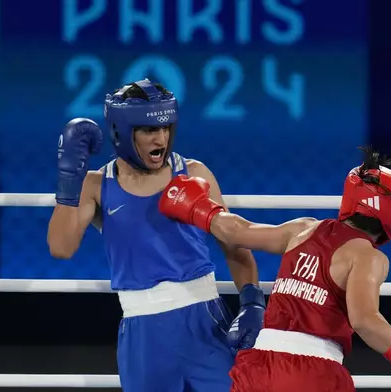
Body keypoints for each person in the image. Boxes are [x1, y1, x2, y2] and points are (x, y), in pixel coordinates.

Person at [159, 146, 391, 392]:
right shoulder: (368, 257)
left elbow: (236, 232)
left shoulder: (303, 229)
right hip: (313, 372)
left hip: (258, 364)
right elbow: (365, 321)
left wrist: (197, 207)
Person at [47, 79, 266, 392]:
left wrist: (251, 301)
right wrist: (69, 179)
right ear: (123, 132)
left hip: (205, 319)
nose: (161, 138)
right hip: (144, 330)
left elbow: (234, 245)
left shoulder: (194, 173)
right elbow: (61, 247)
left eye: (165, 129)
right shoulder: (97, 185)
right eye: (149, 130)